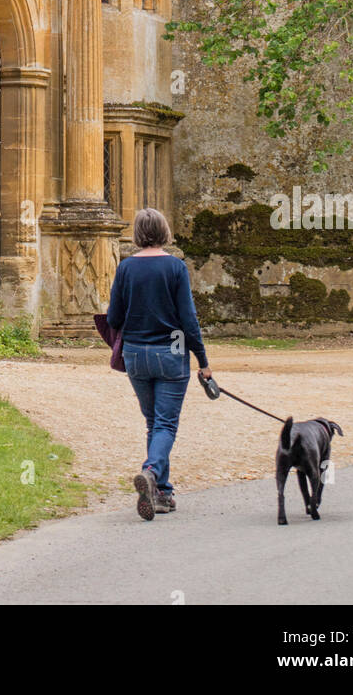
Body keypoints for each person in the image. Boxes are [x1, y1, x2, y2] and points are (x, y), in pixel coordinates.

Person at [106, 207, 212, 521]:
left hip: (136, 353)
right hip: (171, 351)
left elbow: (114, 318)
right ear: (164, 232)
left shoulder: (125, 268)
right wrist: (203, 361)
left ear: (138, 234)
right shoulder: (175, 267)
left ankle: (161, 492)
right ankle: (151, 471)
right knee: (165, 424)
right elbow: (189, 321)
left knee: (154, 422)